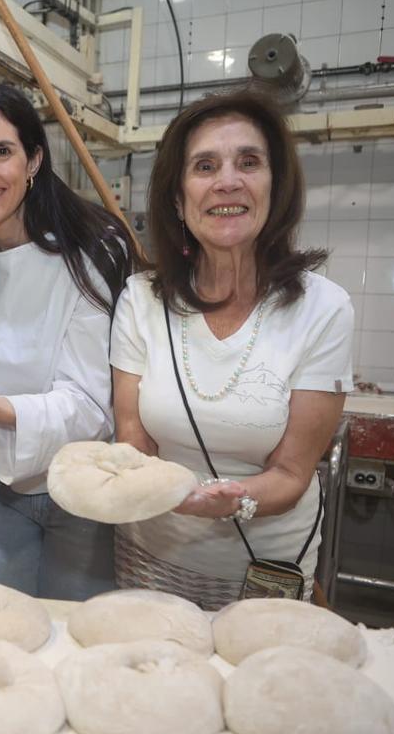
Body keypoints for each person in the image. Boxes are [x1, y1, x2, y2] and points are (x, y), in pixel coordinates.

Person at [110, 88, 354, 610]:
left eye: (248, 162)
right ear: (178, 198)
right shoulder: (141, 299)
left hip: (262, 573)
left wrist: (227, 500)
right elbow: (133, 436)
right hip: (150, 555)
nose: (228, 181)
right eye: (204, 165)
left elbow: (292, 475)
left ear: (275, 186)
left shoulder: (323, 310)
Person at [0, 84, 136, 600]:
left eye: (2, 151)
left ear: (33, 160)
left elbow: (92, 404)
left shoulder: (93, 250)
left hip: (84, 485)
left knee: (75, 645)